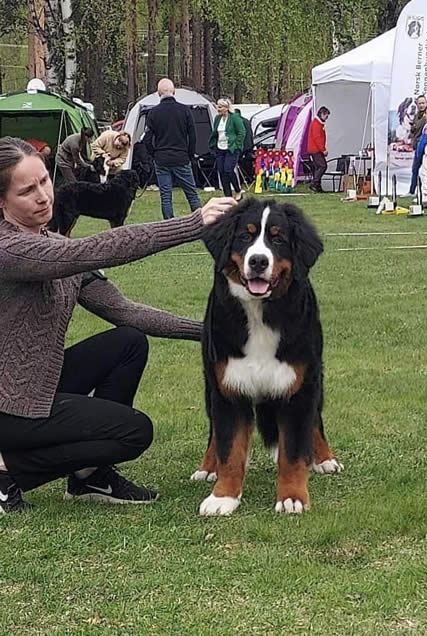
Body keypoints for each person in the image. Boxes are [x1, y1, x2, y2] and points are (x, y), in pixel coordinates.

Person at [0, 136, 236, 515]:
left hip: (39, 386)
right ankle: (8, 471)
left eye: (44, 181)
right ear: (2, 202)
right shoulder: (11, 249)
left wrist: (210, 331)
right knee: (133, 432)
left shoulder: (56, 246)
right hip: (8, 406)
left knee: (128, 341)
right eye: (27, 190)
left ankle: (89, 476)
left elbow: (126, 312)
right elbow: (95, 249)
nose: (44, 196)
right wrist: (192, 223)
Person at [143, 78, 202, 219]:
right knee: (192, 194)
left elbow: (146, 139)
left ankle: (169, 227)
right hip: (181, 158)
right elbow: (193, 136)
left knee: (166, 196)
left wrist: (154, 154)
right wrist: (189, 154)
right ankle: (200, 223)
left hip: (162, 159)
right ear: (174, 92)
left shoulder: (153, 113)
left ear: (158, 93)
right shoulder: (185, 110)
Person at [209, 98, 246, 200]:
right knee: (221, 171)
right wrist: (213, 144)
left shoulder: (235, 118)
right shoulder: (217, 118)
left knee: (228, 170)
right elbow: (215, 133)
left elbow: (241, 132)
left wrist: (236, 144)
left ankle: (237, 190)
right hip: (220, 148)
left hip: (231, 148)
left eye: (220, 107)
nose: (218, 108)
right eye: (218, 106)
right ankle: (228, 196)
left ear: (226, 108)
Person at [307, 106, 330, 193]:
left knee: (318, 167)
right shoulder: (317, 124)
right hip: (315, 149)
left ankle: (317, 187)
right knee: (323, 166)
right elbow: (317, 138)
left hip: (315, 149)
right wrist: (323, 149)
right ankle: (314, 183)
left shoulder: (318, 123)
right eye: (326, 116)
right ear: (322, 114)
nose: (326, 118)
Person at [235, 108, 255, 181]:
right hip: (249, 145)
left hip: (242, 146)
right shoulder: (246, 120)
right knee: (248, 162)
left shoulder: (238, 121)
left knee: (240, 162)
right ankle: (249, 176)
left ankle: (241, 177)